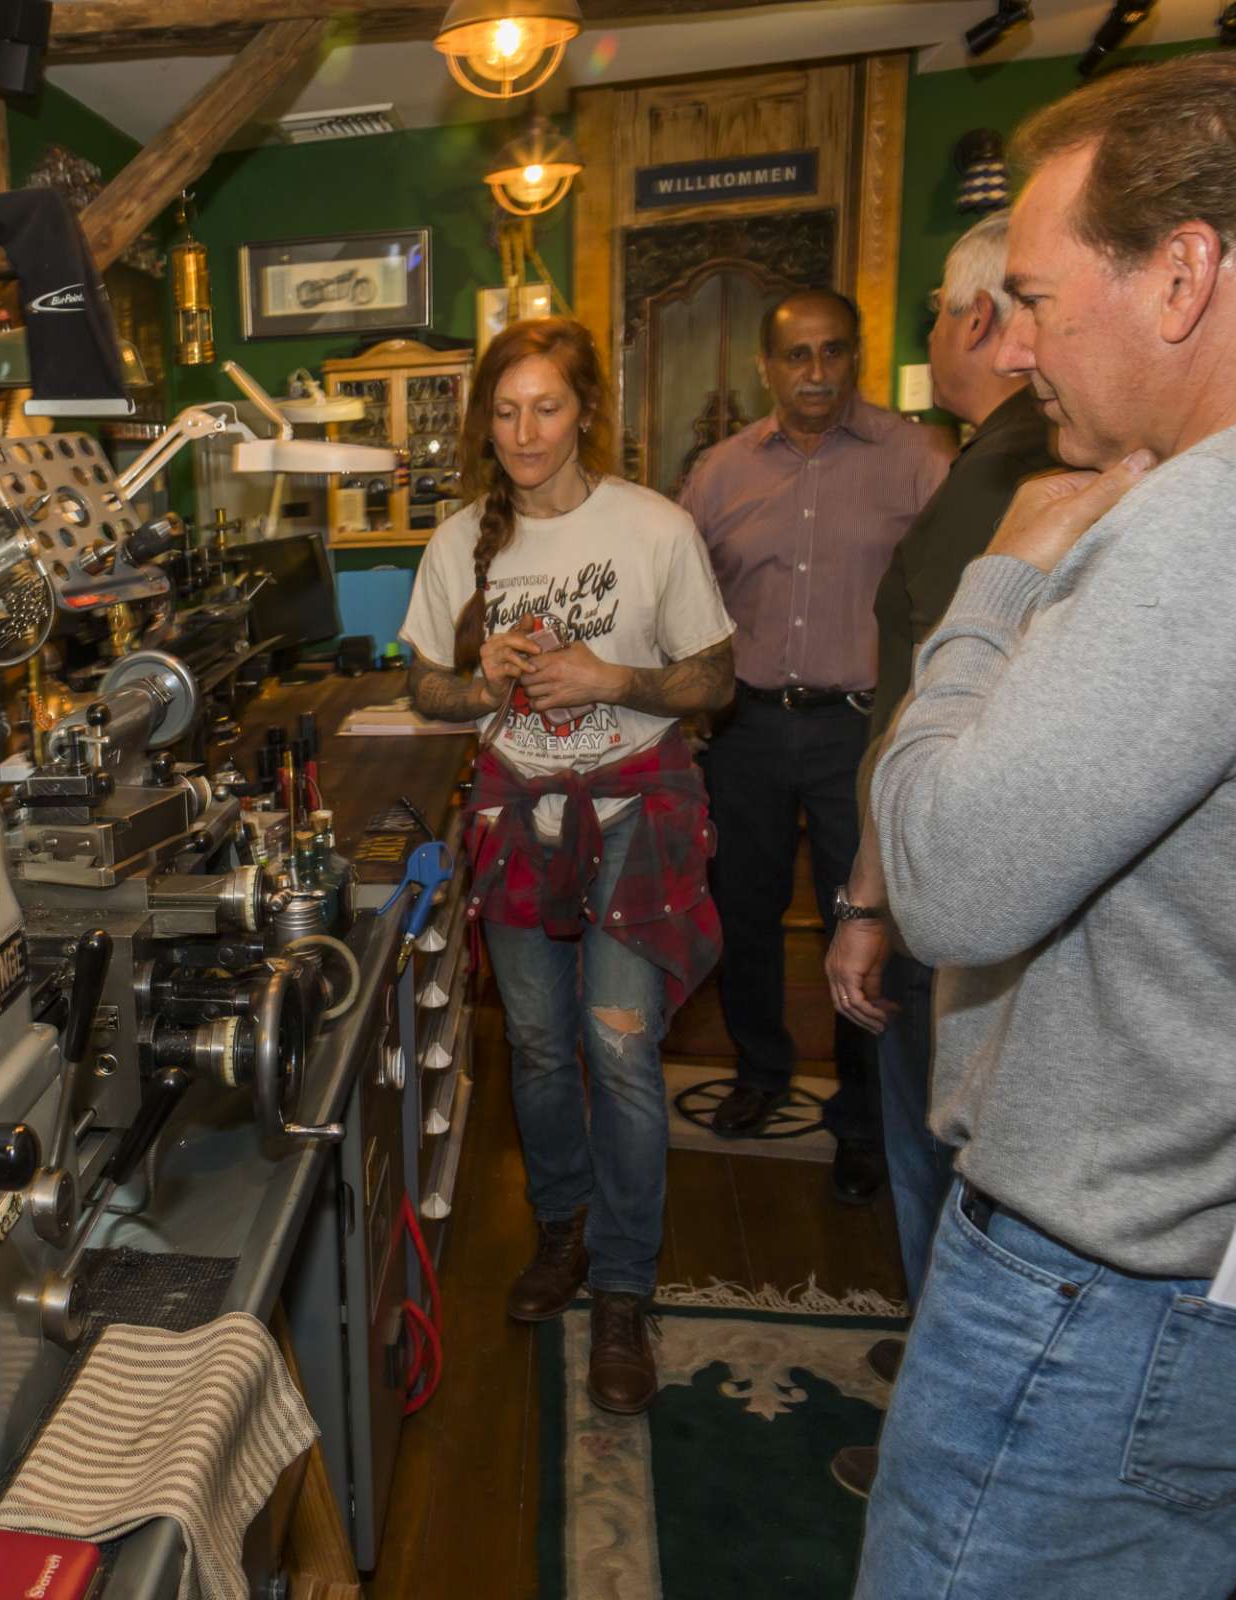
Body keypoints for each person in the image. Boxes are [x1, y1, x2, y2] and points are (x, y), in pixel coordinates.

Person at [858, 55, 1236, 1597]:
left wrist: (998, 584)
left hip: (1117, 1280)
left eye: (1038, 300)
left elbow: (950, 876)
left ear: (1184, 275)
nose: (1012, 348)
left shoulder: (1235, 511)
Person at [399, 318, 734, 1415]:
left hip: (638, 814)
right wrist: (482, 679)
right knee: (540, 1047)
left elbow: (715, 680)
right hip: (516, 817)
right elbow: (424, 689)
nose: (525, 432)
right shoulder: (462, 541)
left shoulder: (655, 527)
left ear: (586, 410)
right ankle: (564, 1229)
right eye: (505, 412)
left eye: (546, 407)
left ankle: (625, 1287)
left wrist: (610, 677)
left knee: (620, 1050)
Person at [819, 212, 1059, 1501]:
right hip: (946, 852)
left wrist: (867, 896)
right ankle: (935, 1357)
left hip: (938, 865)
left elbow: (936, 698)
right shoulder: (1002, 460)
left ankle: (949, 1418)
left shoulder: (1013, 471)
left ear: (980, 319)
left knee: (945, 1149)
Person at [678, 288, 951, 1204]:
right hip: (746, 727)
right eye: (797, 355)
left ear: (857, 355)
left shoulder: (916, 459)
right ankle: (760, 1070)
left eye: (834, 351)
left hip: (861, 731)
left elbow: (952, 597)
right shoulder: (719, 473)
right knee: (743, 910)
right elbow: (681, 595)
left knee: (861, 920)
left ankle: (863, 1117)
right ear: (767, 367)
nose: (816, 372)